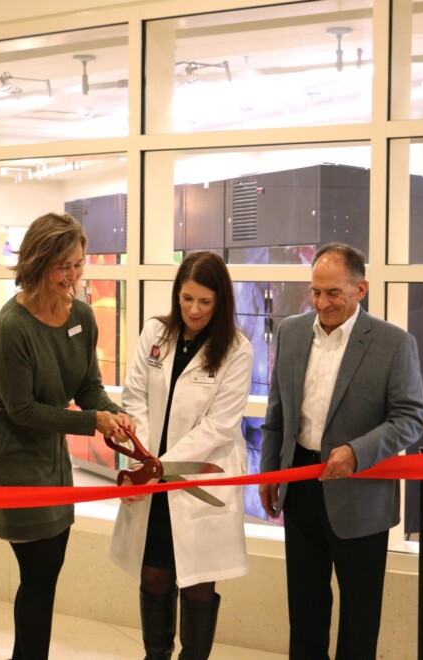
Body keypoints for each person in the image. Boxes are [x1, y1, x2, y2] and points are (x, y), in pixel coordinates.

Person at [258, 242, 423, 659]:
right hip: (300, 486)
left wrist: (356, 450)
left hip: (361, 495)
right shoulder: (292, 333)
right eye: (316, 292)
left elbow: (410, 417)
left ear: (361, 289)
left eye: (333, 293)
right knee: (306, 612)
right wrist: (269, 473)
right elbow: (277, 412)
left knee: (359, 619)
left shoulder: (393, 343)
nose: (322, 302)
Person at [0, 212, 132, 660]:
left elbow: (87, 388)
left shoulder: (81, 315)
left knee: (47, 573)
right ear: (38, 262)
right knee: (39, 573)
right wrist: (91, 424)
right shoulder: (11, 328)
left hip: (50, 453)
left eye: (79, 264)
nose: (72, 275)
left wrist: (114, 415)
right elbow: (23, 411)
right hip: (12, 455)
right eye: (62, 266)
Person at [109, 251, 254, 660]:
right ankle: (155, 655)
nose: (193, 309)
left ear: (220, 302)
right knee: (154, 573)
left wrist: (162, 466)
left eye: (205, 302)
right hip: (152, 474)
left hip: (199, 480)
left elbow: (220, 424)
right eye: (186, 298)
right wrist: (145, 459)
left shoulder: (236, 350)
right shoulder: (155, 332)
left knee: (198, 580)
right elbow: (134, 395)